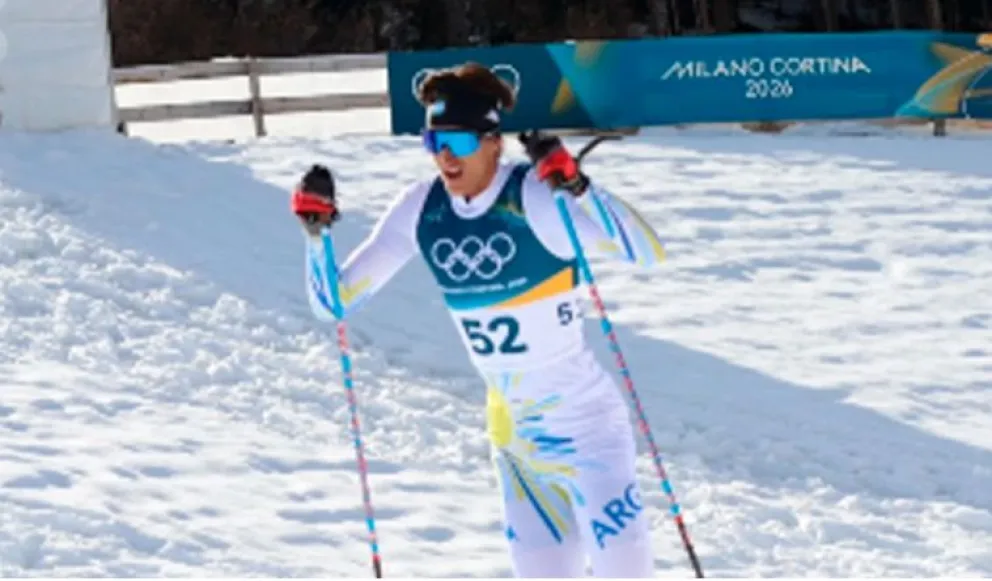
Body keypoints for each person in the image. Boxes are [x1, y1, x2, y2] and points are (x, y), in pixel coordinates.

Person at [291, 61, 667, 578]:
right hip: (517, 446)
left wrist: (579, 187)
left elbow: (647, 251)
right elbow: (333, 303)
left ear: (493, 141)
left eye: (460, 143)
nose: (445, 157)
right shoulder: (421, 210)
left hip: (590, 434)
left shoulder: (534, 196)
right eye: (433, 142)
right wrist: (317, 238)